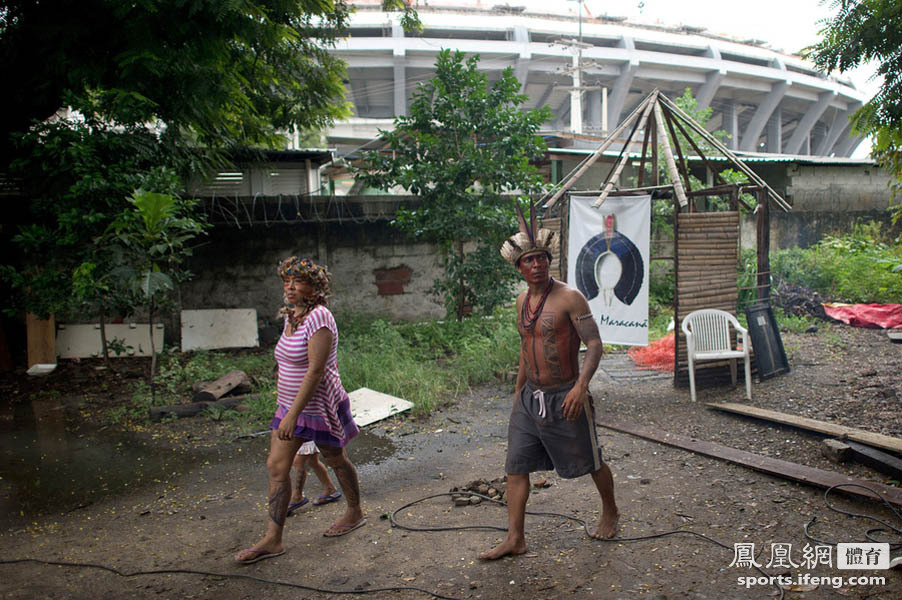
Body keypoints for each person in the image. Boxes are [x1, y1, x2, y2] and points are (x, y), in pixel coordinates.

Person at [481, 226, 619, 560]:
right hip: (531, 397)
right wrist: (518, 393)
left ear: (549, 261)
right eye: (529, 261)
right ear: (520, 268)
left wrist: (580, 387)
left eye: (541, 259)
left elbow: (595, 343)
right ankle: (516, 538)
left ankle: (611, 510)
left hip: (566, 394)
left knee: (591, 460)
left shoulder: (570, 297)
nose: (536, 265)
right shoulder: (521, 302)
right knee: (516, 466)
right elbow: (527, 347)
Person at [235, 257, 364, 565]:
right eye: (286, 281)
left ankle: (355, 511)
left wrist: (293, 413)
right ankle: (273, 539)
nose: (289, 286)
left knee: (335, 458)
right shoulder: (291, 315)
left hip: (318, 406)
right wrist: (285, 405)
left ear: (314, 286)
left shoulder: (320, 317)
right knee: (277, 466)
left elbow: (316, 370)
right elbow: (287, 363)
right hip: (289, 405)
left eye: (297, 281)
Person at [287, 441, 340, 515]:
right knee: (312, 460)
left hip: (306, 433)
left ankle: (297, 496)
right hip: (306, 433)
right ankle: (329, 488)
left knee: (298, 462)